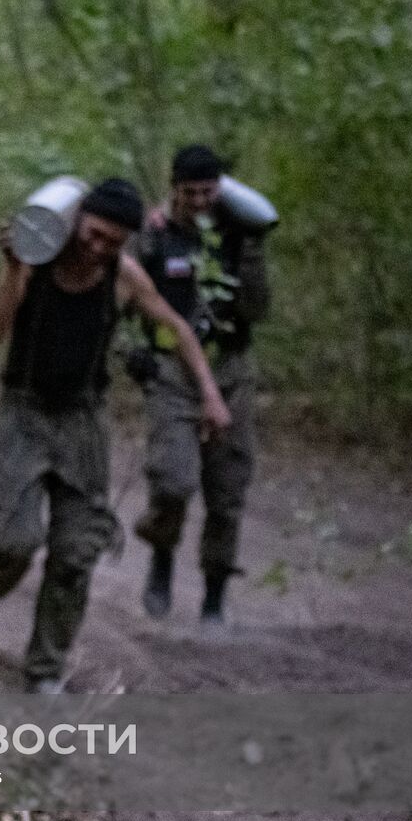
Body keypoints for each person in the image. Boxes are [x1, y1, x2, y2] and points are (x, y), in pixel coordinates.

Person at [0, 178, 231, 693]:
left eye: (113, 241)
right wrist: (13, 270)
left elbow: (177, 329)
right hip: (24, 415)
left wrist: (209, 394)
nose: (100, 248)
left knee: (76, 553)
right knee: (14, 540)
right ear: (78, 220)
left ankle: (45, 671)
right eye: (95, 234)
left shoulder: (123, 276)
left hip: (83, 423)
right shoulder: (35, 262)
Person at [133, 145, 272, 623]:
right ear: (173, 188)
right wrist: (132, 351)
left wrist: (251, 252)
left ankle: (214, 597)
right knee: (173, 479)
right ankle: (161, 556)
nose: (198, 201)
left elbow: (257, 311)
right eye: (189, 192)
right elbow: (124, 298)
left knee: (227, 491)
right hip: (172, 372)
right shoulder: (151, 237)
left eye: (207, 192)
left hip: (231, 370)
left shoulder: (237, 236)